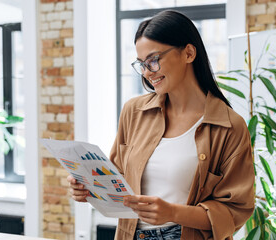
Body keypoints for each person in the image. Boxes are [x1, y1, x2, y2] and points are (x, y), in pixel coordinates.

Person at [67, 10, 255, 240]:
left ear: (188, 53)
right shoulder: (133, 112)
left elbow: (236, 211)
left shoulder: (229, 126)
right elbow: (116, 182)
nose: (147, 73)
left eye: (154, 60)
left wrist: (173, 212)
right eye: (141, 64)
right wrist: (89, 188)